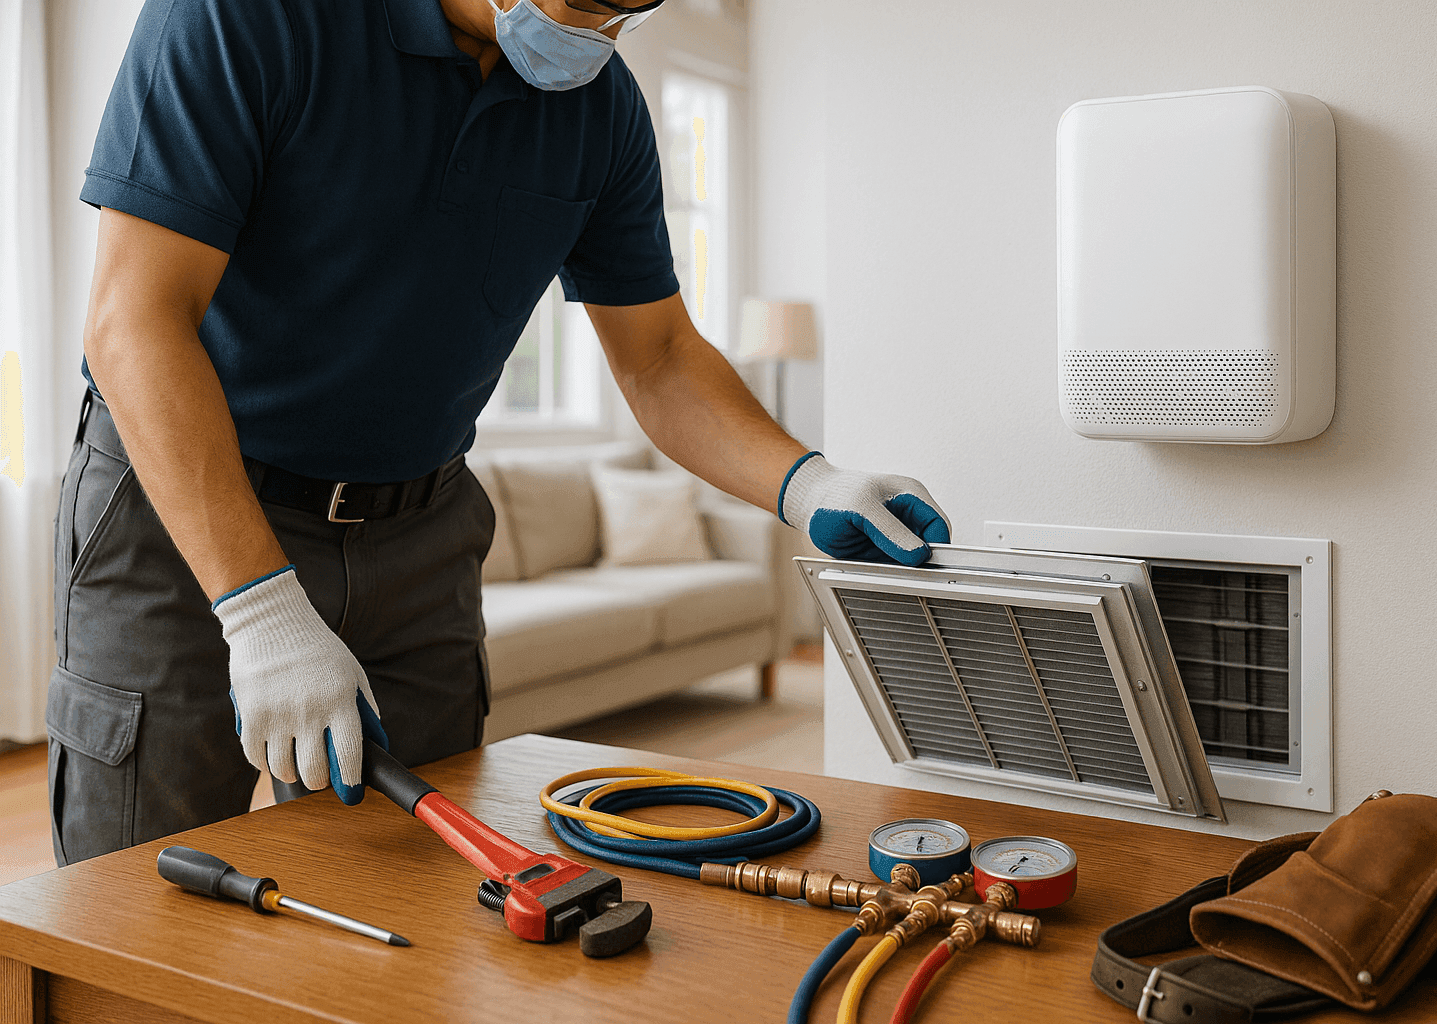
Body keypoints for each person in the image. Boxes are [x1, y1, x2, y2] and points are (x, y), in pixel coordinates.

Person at [48, 0, 950, 866]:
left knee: (409, 897)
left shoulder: (601, 111)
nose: (593, 31)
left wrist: (809, 482)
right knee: (136, 895)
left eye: (623, 7)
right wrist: (259, 608)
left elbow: (660, 357)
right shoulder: (254, 15)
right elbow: (135, 322)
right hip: (181, 517)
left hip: (418, 538)